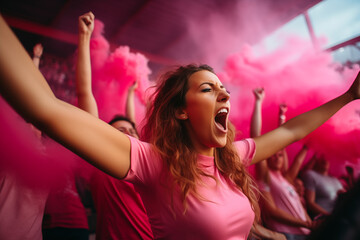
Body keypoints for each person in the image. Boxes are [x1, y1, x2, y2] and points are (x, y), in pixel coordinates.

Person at [0, 13, 359, 239]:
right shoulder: (152, 162)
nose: (223, 94)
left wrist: (347, 97)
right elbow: (46, 109)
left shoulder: (228, 158)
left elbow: (291, 132)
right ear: (182, 111)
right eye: (207, 88)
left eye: (223, 88)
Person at [75, 12, 153, 239]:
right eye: (121, 131)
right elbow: (84, 94)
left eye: (131, 131)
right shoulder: (100, 161)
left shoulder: (148, 165)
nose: (128, 134)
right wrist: (83, 38)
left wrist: (131, 94)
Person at [250, 88, 313, 240]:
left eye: (280, 155)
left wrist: (282, 116)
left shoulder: (287, 179)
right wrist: (258, 102)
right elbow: (256, 138)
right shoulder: (266, 177)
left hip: (305, 234)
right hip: (287, 235)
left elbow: (282, 142)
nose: (277, 157)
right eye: (273, 155)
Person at [301, 154, 344, 219]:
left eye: (327, 156)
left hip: (340, 217)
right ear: (316, 159)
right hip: (323, 220)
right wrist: (329, 216)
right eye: (322, 156)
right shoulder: (310, 175)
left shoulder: (336, 180)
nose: (325, 159)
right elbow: (310, 203)